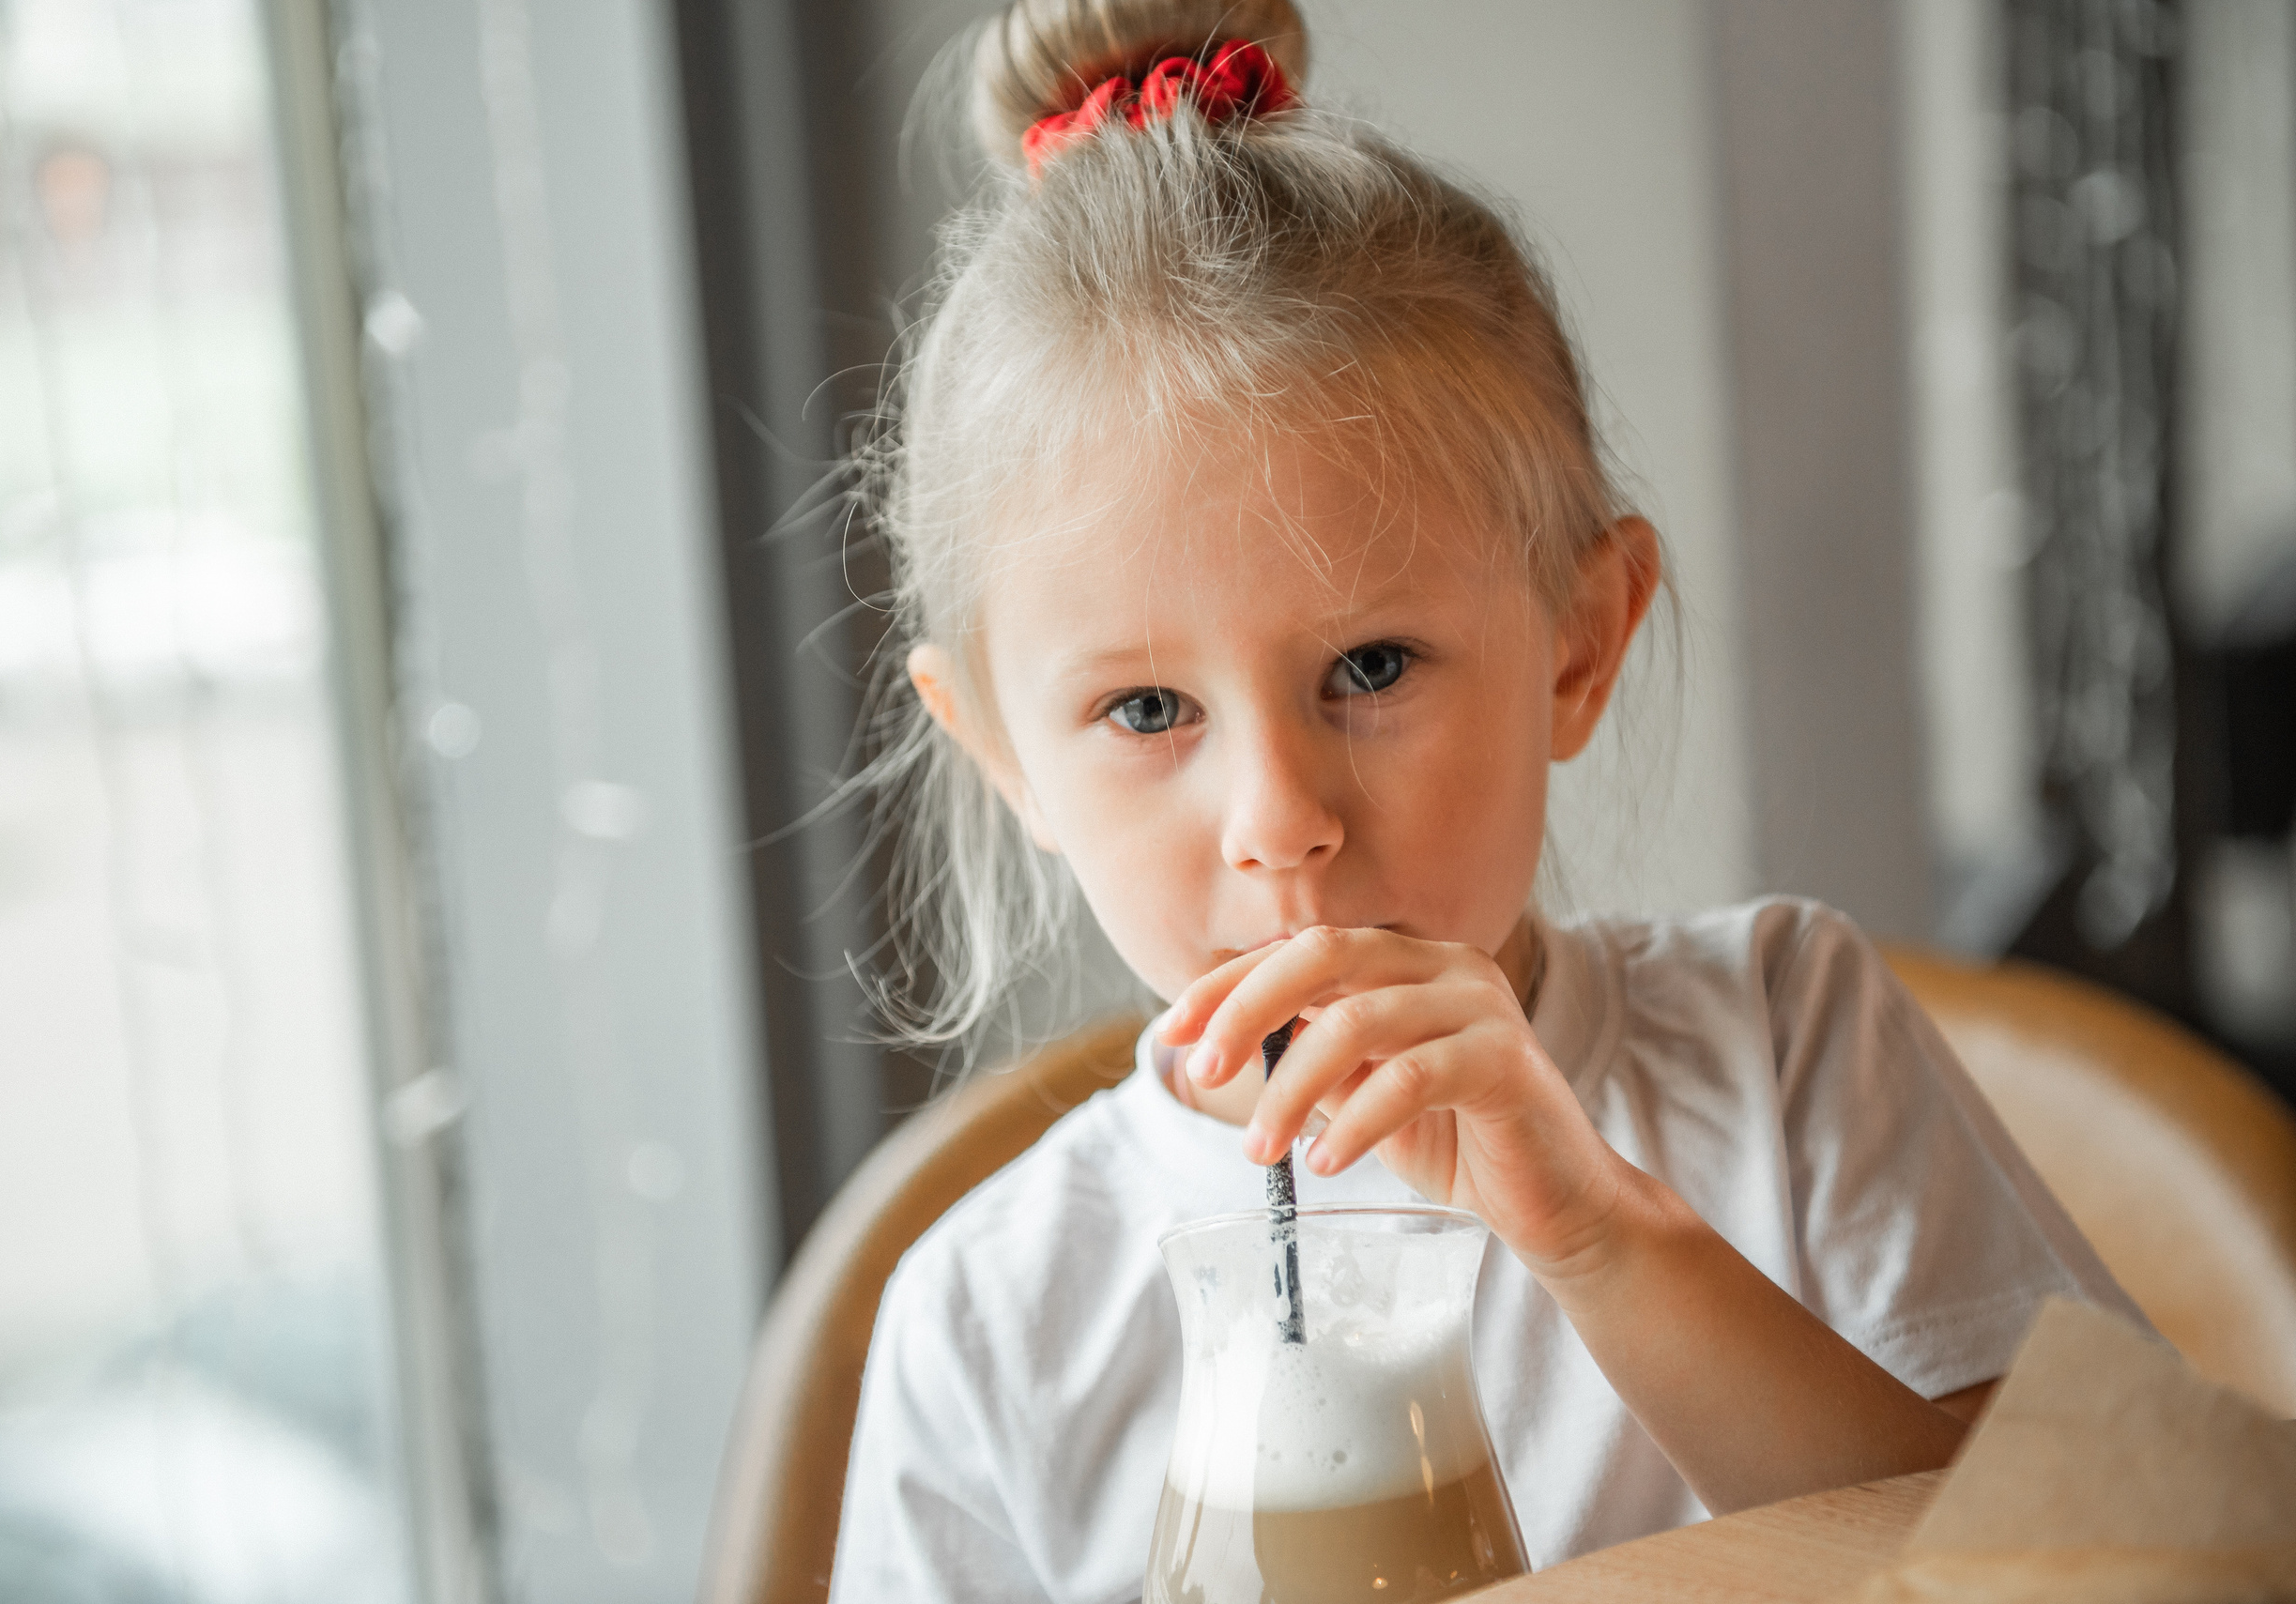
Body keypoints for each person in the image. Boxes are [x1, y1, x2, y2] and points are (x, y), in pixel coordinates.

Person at [828, 2, 2137, 1597]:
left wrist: (1598, 1235)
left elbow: (2101, 1567)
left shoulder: (1789, 1051)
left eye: (1371, 668)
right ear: (1008, 755)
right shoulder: (988, 1319)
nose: (1281, 818)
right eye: (1148, 707)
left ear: (1580, 644)